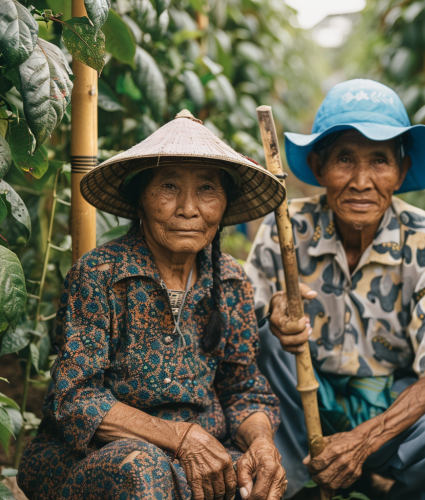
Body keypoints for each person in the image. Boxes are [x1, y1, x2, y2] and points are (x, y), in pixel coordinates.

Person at [18, 110, 288, 500]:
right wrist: (179, 438)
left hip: (199, 456)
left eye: (208, 189)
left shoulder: (230, 281)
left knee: (259, 479)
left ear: (225, 204)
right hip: (97, 458)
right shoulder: (100, 274)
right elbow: (74, 398)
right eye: (168, 187)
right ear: (140, 198)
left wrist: (261, 445)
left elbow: (243, 389)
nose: (189, 209)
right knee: (142, 469)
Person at [245, 79, 425, 500]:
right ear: (318, 167)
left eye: (379, 161)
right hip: (300, 404)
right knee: (262, 339)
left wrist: (365, 440)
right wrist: (272, 316)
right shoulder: (285, 228)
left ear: (402, 171)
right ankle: (290, 484)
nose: (360, 181)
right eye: (344, 160)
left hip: (388, 401)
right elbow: (237, 333)